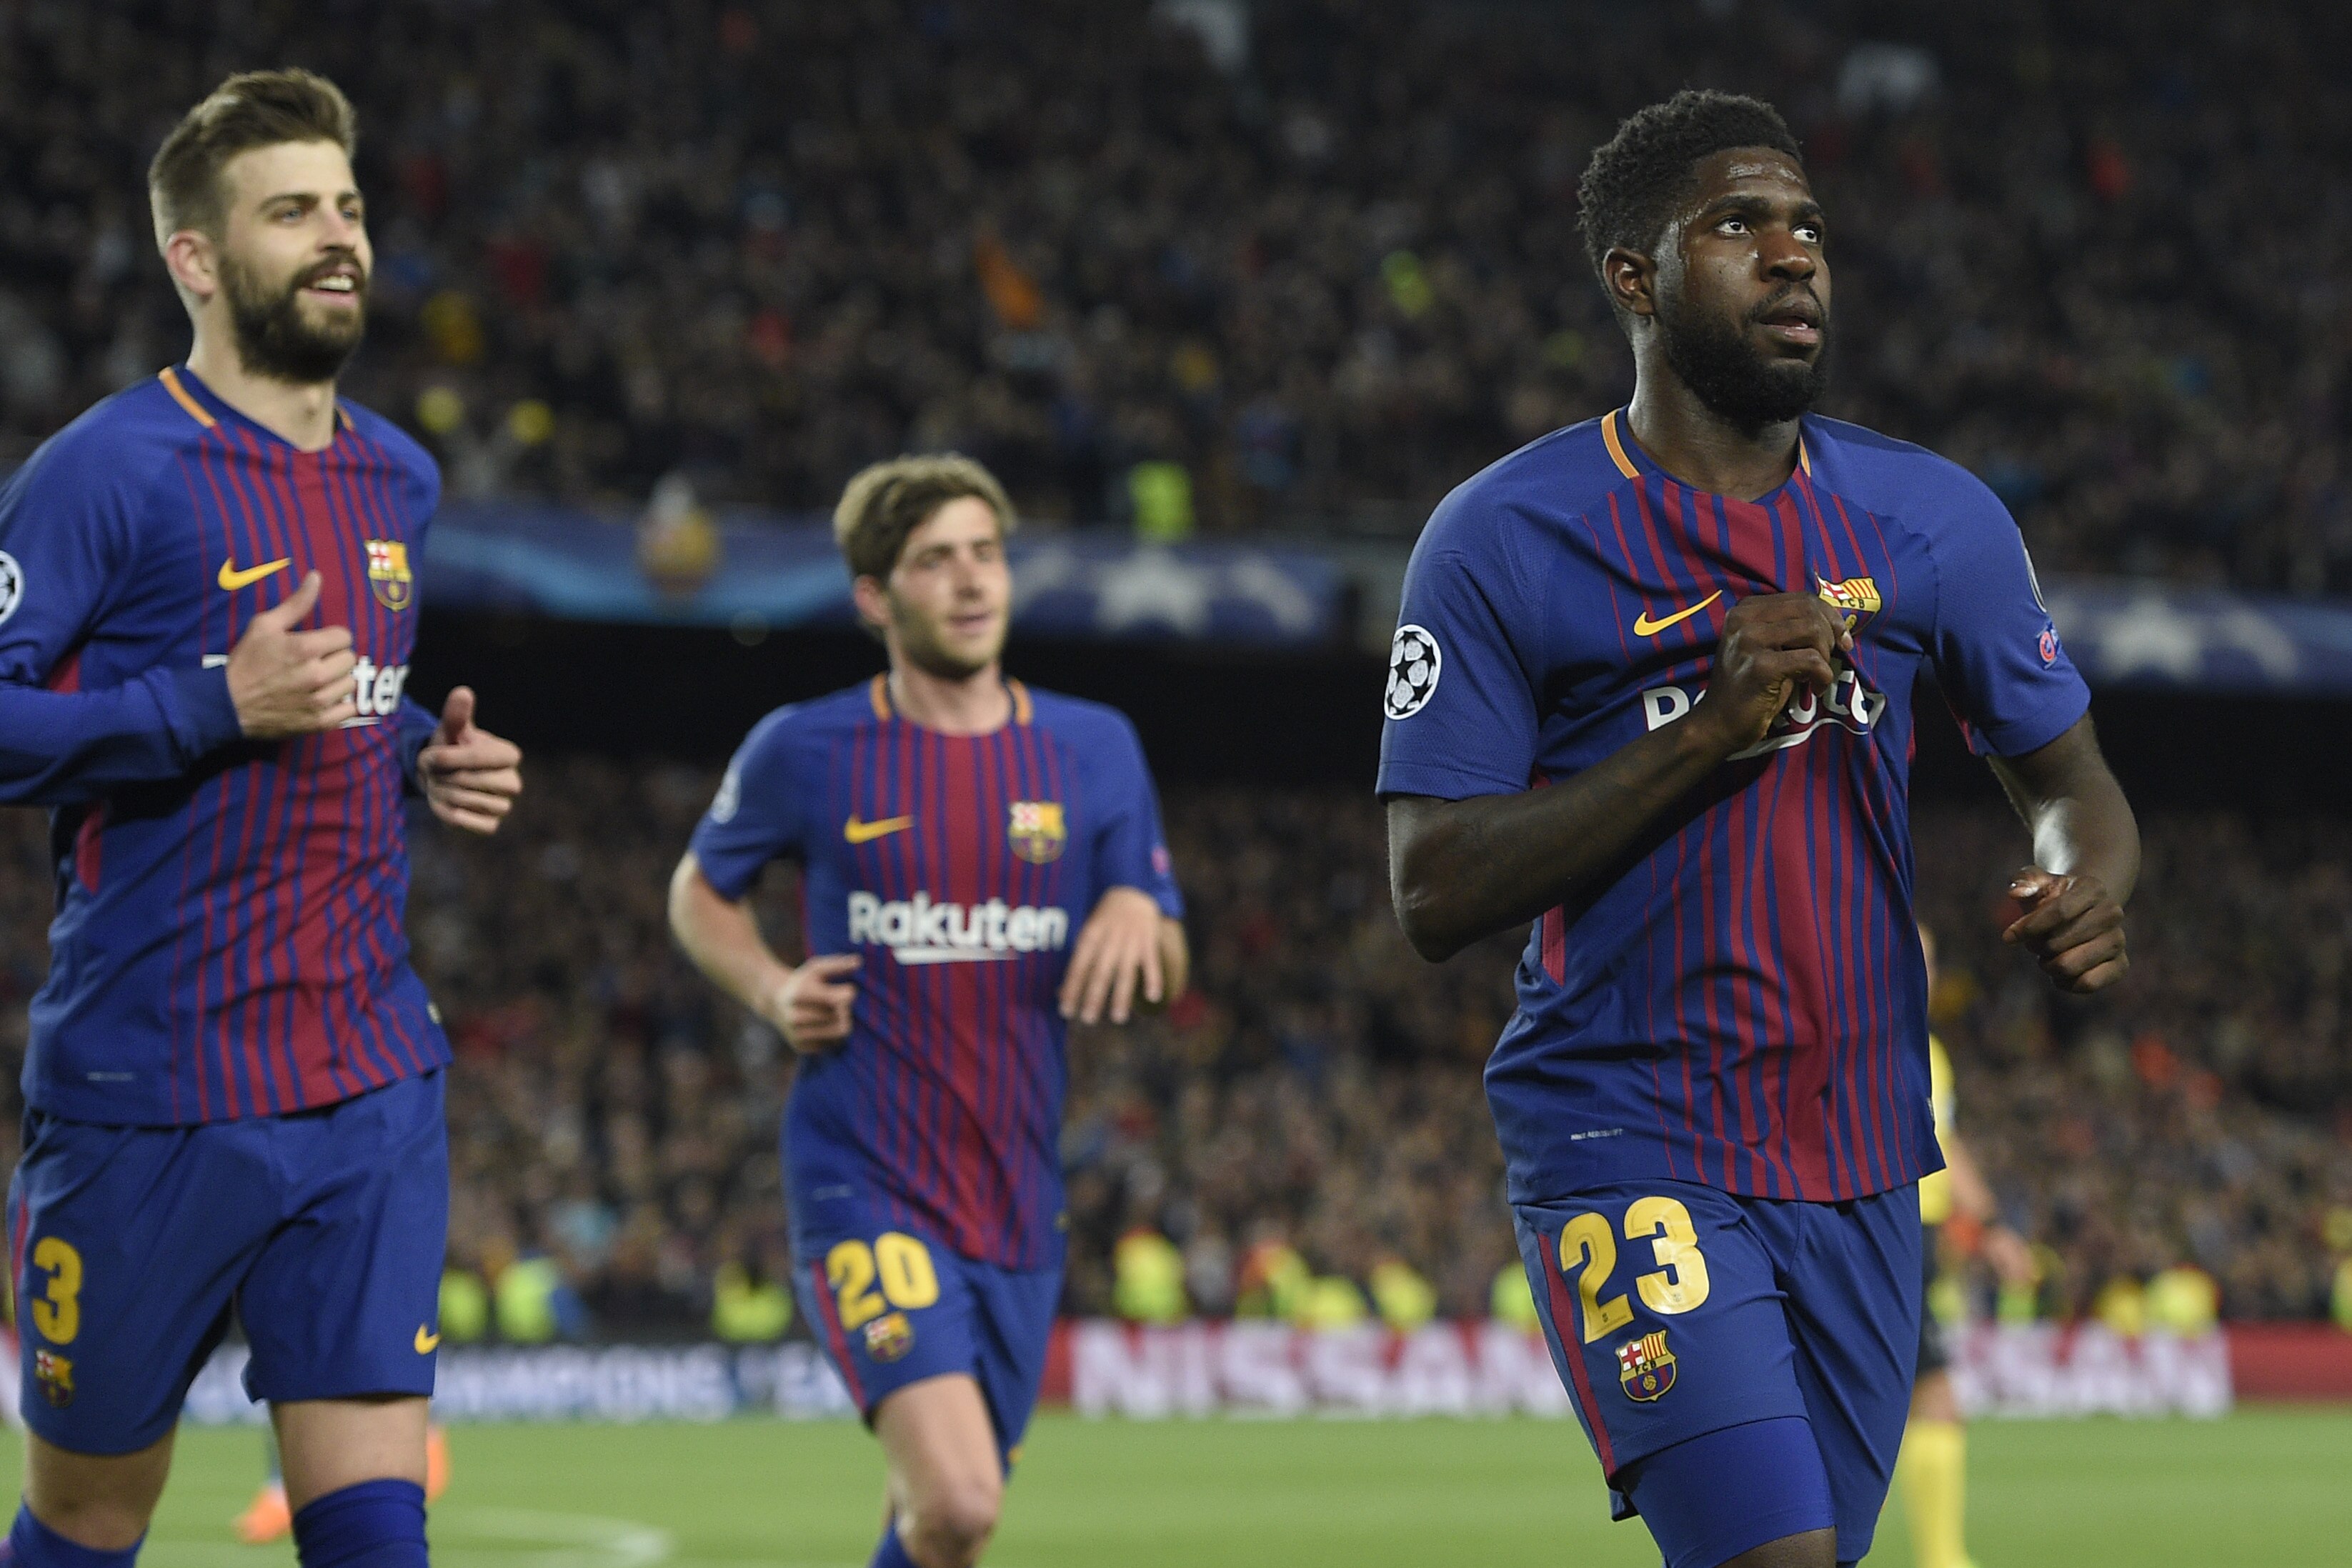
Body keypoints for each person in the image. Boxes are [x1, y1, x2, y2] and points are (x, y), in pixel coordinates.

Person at [1380, 90, 2137, 1568]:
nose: (1791, 254)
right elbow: (1431, 886)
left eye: (1807, 227)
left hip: (1861, 1154)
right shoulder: (1500, 535)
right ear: (1634, 276)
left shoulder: (1933, 519)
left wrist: (2083, 879)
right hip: (1623, 1125)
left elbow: (2069, 782)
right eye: (1737, 224)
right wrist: (1702, 734)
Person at [0, 69, 523, 1568]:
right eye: (291, 212)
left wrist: (417, 752)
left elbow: (341, 692)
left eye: (347, 207)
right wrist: (205, 706)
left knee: (373, 1537)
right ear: (195, 257)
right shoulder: (104, 472)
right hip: (148, 1086)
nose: (338, 235)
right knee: (88, 1518)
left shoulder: (399, 476)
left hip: (365, 1076)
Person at [668, 454, 1187, 1568]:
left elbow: (1166, 961)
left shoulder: (1094, 746)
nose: (970, 579)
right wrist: (772, 987)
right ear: (874, 595)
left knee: (940, 1530)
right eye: (935, 560)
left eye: (986, 554)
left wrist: (1141, 906)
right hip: (865, 1173)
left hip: (1017, 1196)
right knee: (957, 1500)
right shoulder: (805, 747)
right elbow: (699, 890)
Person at [1895, 928, 2036, 1568]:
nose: (1923, 971)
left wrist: (1993, 1225)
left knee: (1917, 1398)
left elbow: (1944, 1145)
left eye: (1930, 960)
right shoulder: (1871, 1046)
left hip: (1916, 1237)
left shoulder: (1928, 1051)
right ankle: (1943, 1559)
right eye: (1910, 956)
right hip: (1888, 1231)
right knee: (1934, 1399)